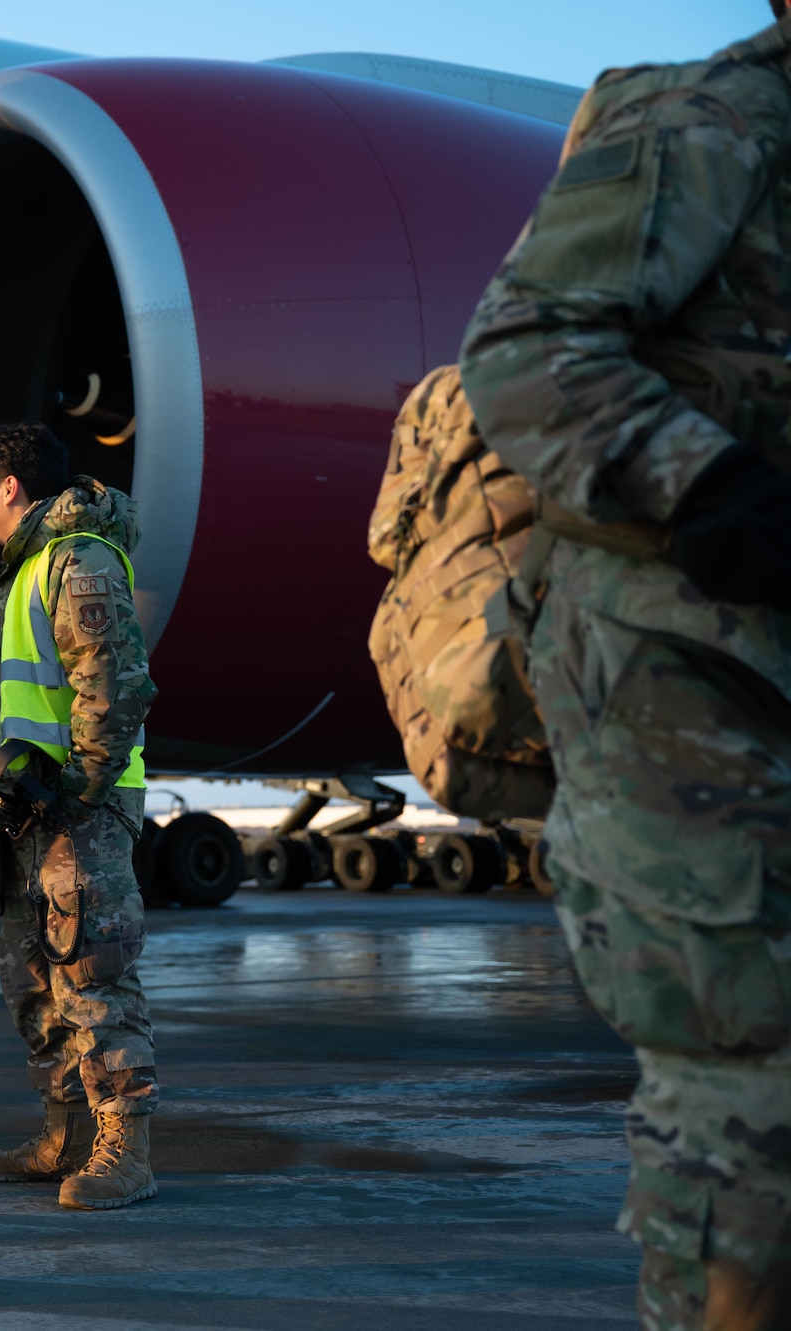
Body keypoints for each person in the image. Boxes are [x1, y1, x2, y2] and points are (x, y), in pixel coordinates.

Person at [460, 11, 791, 1324]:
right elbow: (523, 348)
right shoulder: (715, 125)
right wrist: (705, 476)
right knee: (751, 1093)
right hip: (688, 678)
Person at [0, 423, 159, 1211]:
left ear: (10, 486)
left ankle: (125, 1148)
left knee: (93, 975)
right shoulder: (6, 575)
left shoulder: (76, 560)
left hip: (78, 812)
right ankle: (66, 1133)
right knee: (31, 982)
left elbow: (115, 687)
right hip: (20, 816)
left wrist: (77, 794)